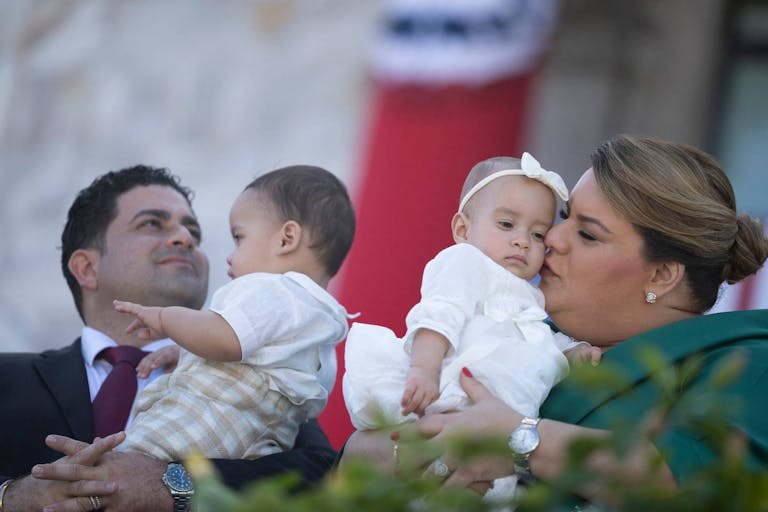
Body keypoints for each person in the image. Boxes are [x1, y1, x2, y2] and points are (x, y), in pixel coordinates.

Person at [339, 134, 768, 505]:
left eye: (587, 234)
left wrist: (519, 439)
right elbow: (358, 450)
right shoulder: (526, 334)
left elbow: (691, 484)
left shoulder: (745, 363)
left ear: (661, 275)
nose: (550, 240)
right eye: (564, 219)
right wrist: (415, 455)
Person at [0, 166, 339, 512]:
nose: (185, 238)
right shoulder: (7, 377)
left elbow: (324, 476)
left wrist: (173, 483)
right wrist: (12, 496)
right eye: (152, 224)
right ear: (87, 268)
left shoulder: (268, 377)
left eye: (193, 231)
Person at [342, 153, 598, 499]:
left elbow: (535, 340)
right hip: (451, 398)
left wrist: (570, 351)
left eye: (538, 234)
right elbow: (438, 314)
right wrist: (423, 368)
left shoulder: (532, 299)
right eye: (507, 225)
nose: (523, 241)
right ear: (463, 229)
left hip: (501, 426)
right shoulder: (465, 263)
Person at [111, 164, 355, 462]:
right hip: (249, 447)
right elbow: (257, 361)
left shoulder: (271, 289)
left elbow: (225, 339)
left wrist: (165, 319)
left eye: (239, 238)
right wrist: (188, 350)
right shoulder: (321, 324)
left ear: (286, 239)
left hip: (200, 426)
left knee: (121, 466)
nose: (230, 255)